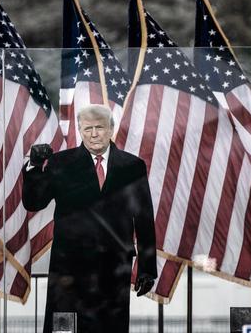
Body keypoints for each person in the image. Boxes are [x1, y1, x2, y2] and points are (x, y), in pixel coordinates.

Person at [22, 104, 157, 333]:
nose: (93, 134)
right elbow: (34, 203)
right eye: (87, 129)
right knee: (64, 329)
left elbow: (143, 219)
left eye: (99, 127)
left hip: (114, 269)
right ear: (80, 130)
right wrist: (34, 167)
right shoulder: (61, 163)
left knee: (110, 329)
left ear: (111, 128)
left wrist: (147, 268)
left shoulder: (132, 166)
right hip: (69, 271)